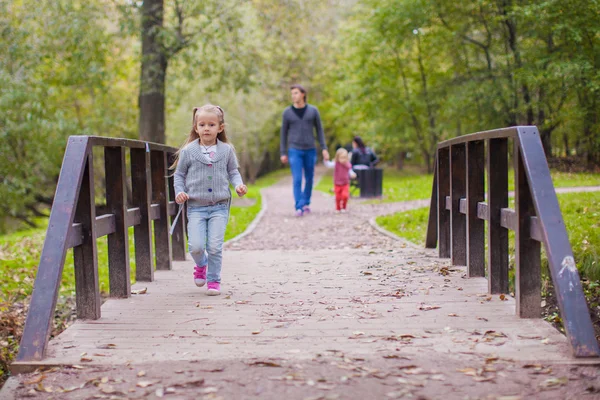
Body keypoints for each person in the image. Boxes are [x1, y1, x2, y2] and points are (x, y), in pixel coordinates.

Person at [172, 105, 247, 296]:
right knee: (196, 247)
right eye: (202, 124)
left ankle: (213, 280)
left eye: (211, 124)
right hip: (196, 207)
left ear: (220, 128)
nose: (206, 128)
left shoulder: (227, 150)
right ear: (196, 127)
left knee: (214, 246)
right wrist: (179, 192)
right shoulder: (189, 151)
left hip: (219, 207)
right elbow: (179, 175)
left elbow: (233, 172)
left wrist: (238, 185)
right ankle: (201, 264)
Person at [280, 84, 329, 217]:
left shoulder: (313, 111)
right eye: (292, 94)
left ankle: (306, 202)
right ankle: (299, 206)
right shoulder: (287, 113)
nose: (293, 96)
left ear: (303, 94)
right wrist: (283, 152)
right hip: (294, 149)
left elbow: (319, 131)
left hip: (310, 149)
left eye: (295, 93)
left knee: (309, 178)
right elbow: (283, 133)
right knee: (297, 178)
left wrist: (324, 148)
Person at [324, 148, 356, 213]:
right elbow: (328, 165)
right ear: (337, 158)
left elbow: (350, 171)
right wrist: (325, 159)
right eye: (341, 158)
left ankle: (344, 207)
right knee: (338, 197)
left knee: (345, 196)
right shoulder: (336, 164)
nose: (343, 159)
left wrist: (353, 174)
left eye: (344, 157)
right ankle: (338, 208)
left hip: (345, 183)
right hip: (337, 183)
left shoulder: (347, 165)